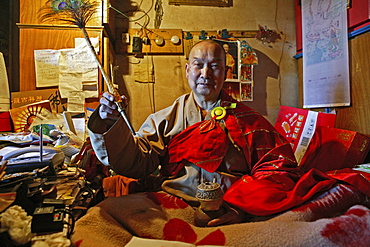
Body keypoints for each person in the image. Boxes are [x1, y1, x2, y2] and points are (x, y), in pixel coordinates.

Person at [87, 40, 370, 228]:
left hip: (236, 209)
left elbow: (277, 168)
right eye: (198, 64)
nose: (205, 72)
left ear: (226, 72)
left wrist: (242, 209)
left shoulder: (248, 120)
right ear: (187, 70)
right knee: (103, 216)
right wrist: (108, 120)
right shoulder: (165, 119)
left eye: (215, 65)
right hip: (176, 205)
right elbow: (136, 163)